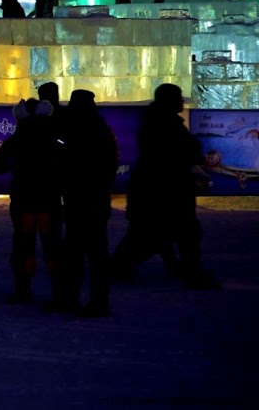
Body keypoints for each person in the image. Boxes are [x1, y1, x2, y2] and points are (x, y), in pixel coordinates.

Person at [111, 83, 217, 288]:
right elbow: (179, 152)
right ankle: (190, 273)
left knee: (154, 234)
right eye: (178, 97)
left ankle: (120, 267)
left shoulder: (158, 121)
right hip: (165, 189)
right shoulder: (164, 123)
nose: (182, 101)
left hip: (161, 187)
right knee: (169, 234)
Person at [0, 99, 63, 303]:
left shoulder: (15, 141)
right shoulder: (55, 141)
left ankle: (23, 289)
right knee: (52, 246)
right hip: (49, 200)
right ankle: (59, 293)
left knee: (23, 245)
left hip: (23, 200)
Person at [54, 90, 117, 317]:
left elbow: (64, 161)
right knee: (95, 254)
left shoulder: (73, 130)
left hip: (79, 200)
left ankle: (71, 299)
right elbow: (110, 164)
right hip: (95, 200)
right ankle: (97, 301)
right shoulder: (100, 129)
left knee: (75, 253)